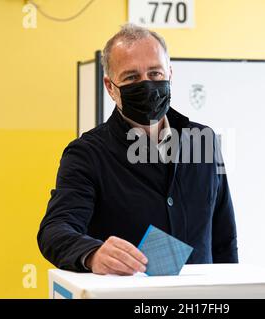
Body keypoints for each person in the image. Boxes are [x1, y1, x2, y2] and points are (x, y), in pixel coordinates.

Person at [37, 23, 238, 275]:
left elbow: (224, 237)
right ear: (110, 87)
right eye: (132, 77)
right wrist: (92, 253)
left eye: (155, 74)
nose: (147, 85)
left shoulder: (202, 140)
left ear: (170, 74)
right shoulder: (87, 154)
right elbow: (55, 230)